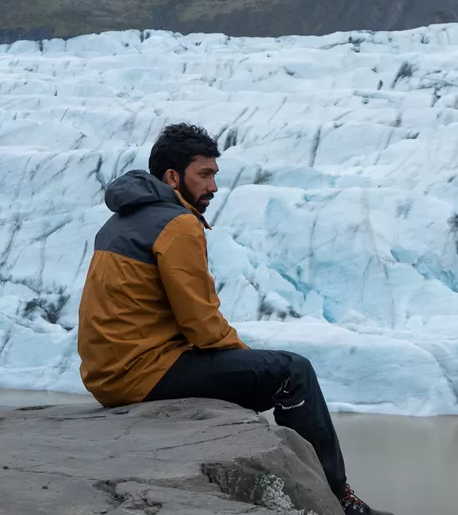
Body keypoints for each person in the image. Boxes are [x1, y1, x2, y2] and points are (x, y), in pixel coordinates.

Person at [77, 123, 392, 515]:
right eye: (204, 175)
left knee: (267, 371)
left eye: (214, 175)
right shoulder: (177, 224)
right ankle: (339, 499)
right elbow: (203, 326)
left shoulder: (120, 220)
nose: (213, 187)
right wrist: (249, 362)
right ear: (173, 177)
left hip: (109, 374)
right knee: (291, 372)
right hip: (143, 372)